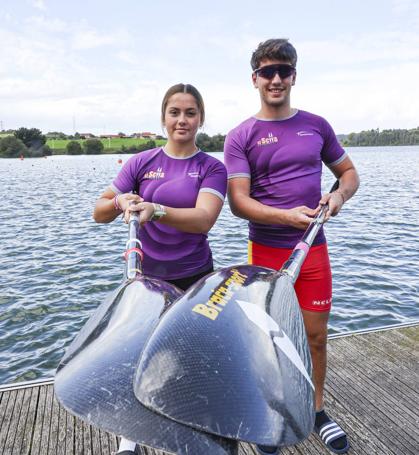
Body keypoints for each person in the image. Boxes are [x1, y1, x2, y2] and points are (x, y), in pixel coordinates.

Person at [224, 39, 359, 455]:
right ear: (255, 80)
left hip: (314, 250)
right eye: (267, 72)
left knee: (316, 337)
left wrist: (337, 197)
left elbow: (349, 173)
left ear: (294, 76)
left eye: (284, 70)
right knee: (270, 340)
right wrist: (285, 217)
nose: (276, 79)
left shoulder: (316, 125)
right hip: (265, 253)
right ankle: (274, 413)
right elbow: (238, 203)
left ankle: (316, 410)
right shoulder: (241, 135)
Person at [93, 83, 227, 455]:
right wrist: (120, 200)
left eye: (190, 113)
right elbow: (98, 211)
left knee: (188, 351)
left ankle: (189, 422)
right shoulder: (141, 163)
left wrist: (157, 209)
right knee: (139, 350)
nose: (182, 120)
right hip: (147, 278)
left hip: (193, 276)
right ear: (163, 117)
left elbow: (203, 220)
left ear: (200, 118)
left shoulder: (211, 168)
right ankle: (131, 434)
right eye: (175, 112)